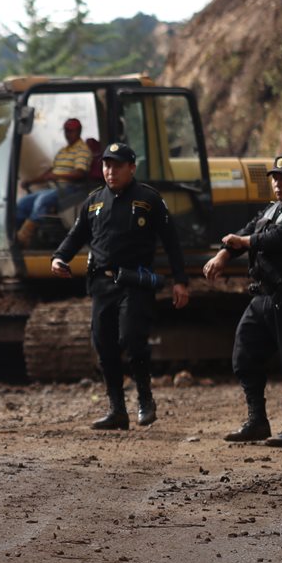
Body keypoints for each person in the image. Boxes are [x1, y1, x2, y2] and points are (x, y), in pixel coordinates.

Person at [50, 142, 190, 429]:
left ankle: (144, 399)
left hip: (134, 282)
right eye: (106, 165)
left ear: (131, 168)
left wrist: (180, 281)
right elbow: (76, 235)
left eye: (116, 166)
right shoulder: (94, 201)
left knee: (131, 339)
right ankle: (117, 409)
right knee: (104, 345)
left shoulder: (149, 198)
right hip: (101, 283)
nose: (110, 171)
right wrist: (59, 258)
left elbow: (172, 242)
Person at [203, 154, 282, 448]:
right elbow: (247, 231)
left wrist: (244, 243)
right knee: (243, 356)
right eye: (275, 178)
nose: (278, 183)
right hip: (262, 296)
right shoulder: (272, 210)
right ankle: (257, 420)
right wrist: (223, 254)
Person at [16, 118, 92, 246]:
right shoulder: (63, 151)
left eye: (70, 131)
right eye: (66, 131)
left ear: (78, 131)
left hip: (73, 189)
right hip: (56, 189)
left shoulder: (82, 150)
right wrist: (31, 181)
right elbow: (50, 173)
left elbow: (80, 173)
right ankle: (14, 235)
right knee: (24, 202)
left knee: (42, 200)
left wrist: (57, 176)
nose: (67, 134)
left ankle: (24, 237)